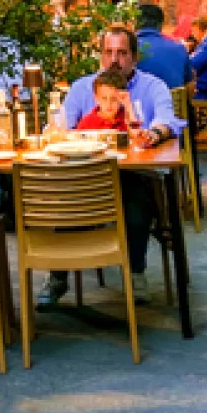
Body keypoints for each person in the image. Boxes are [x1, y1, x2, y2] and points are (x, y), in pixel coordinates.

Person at [39, 24, 181, 307]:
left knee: (137, 207)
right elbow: (59, 125)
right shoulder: (83, 88)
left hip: (132, 175)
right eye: (108, 52)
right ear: (100, 55)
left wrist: (153, 134)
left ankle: (136, 271)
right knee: (60, 203)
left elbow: (168, 120)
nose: (114, 59)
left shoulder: (152, 87)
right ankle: (57, 275)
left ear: (134, 57)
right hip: (87, 177)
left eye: (122, 53)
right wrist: (56, 132)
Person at [134, 2, 193, 91]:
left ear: (135, 23)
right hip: (175, 103)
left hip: (141, 104)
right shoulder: (180, 48)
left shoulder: (128, 50)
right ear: (161, 24)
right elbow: (189, 83)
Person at [75, 65, 130, 131]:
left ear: (121, 98)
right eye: (104, 98)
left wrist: (128, 107)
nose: (109, 104)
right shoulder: (86, 124)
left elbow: (137, 135)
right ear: (96, 98)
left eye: (114, 99)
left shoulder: (127, 118)